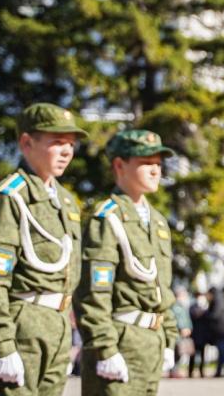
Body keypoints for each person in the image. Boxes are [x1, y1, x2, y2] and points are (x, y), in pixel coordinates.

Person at [0, 103, 87, 396]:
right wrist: (1, 343)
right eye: (57, 142)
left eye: (71, 144)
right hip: (22, 325)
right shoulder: (11, 197)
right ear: (27, 142)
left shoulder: (65, 202)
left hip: (58, 325)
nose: (67, 151)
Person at [75, 129, 177, 396]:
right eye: (146, 163)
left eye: (158, 163)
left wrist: (168, 338)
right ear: (120, 165)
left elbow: (162, 290)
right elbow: (93, 293)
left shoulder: (157, 222)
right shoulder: (106, 217)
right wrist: (104, 348)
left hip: (151, 343)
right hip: (122, 340)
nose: (155, 170)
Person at [169, 288, 193, 378]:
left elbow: (187, 318)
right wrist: (182, 328)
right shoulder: (175, 306)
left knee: (179, 354)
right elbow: (178, 319)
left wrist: (189, 328)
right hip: (176, 334)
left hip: (182, 335)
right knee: (176, 353)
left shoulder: (182, 306)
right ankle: (174, 371)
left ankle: (176, 370)